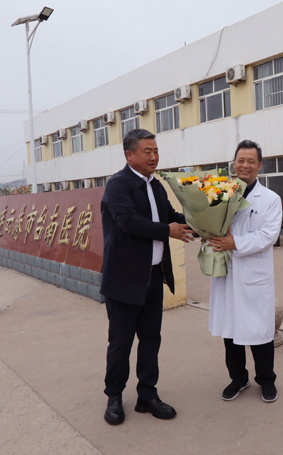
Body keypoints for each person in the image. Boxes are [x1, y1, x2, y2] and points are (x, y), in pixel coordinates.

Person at [99, 128, 195, 425]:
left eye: (156, 151)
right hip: (124, 280)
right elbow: (129, 222)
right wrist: (168, 231)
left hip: (153, 278)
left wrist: (204, 223)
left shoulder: (156, 186)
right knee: (121, 343)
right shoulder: (118, 184)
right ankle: (114, 396)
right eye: (147, 152)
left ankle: (147, 395)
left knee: (151, 339)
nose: (154, 157)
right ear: (130, 155)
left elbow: (170, 216)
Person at [207, 140, 283, 403]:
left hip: (254, 275)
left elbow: (268, 235)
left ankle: (267, 380)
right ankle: (238, 379)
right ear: (234, 163)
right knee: (230, 332)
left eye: (251, 161)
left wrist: (235, 243)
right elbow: (210, 224)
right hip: (227, 272)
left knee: (260, 332)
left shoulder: (270, 199)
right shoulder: (221, 194)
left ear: (259, 165)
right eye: (241, 160)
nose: (245, 165)